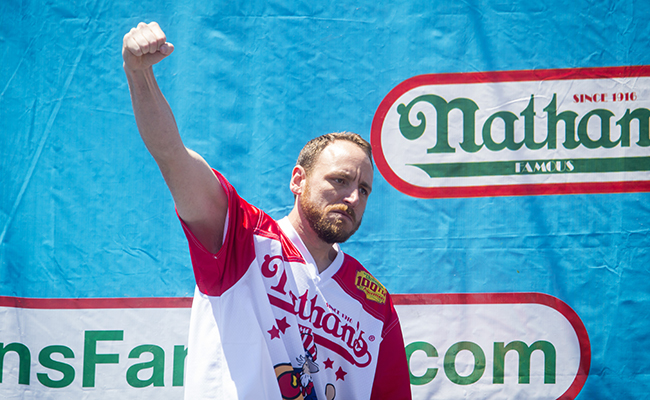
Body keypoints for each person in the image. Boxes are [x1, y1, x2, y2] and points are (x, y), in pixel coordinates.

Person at [123, 21, 412, 400]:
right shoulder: (242, 239)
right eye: (339, 181)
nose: (353, 197)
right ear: (298, 180)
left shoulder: (373, 302)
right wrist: (138, 72)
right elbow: (172, 155)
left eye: (364, 189)